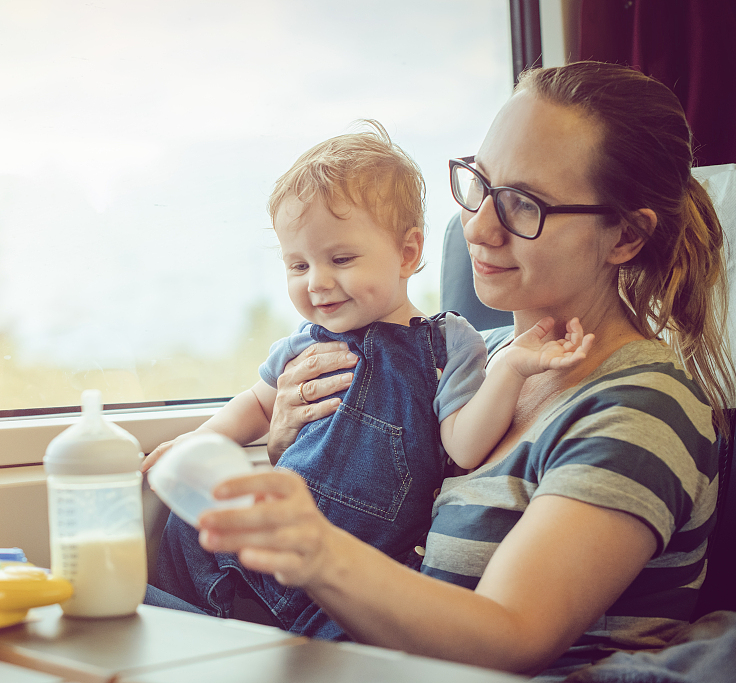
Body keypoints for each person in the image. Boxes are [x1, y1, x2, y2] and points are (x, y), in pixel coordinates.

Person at [190, 61, 736, 679]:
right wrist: (292, 437)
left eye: (523, 205)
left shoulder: (641, 408)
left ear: (626, 238)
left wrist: (316, 550)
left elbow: (512, 637)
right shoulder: (479, 355)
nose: (476, 227)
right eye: (480, 184)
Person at [142, 123, 593, 639]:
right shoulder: (303, 343)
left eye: (341, 259)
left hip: (352, 579)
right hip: (256, 555)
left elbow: (463, 447)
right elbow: (259, 405)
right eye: (298, 264)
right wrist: (202, 440)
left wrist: (511, 369)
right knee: (179, 542)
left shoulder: (448, 346)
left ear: (407, 253)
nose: (317, 282)